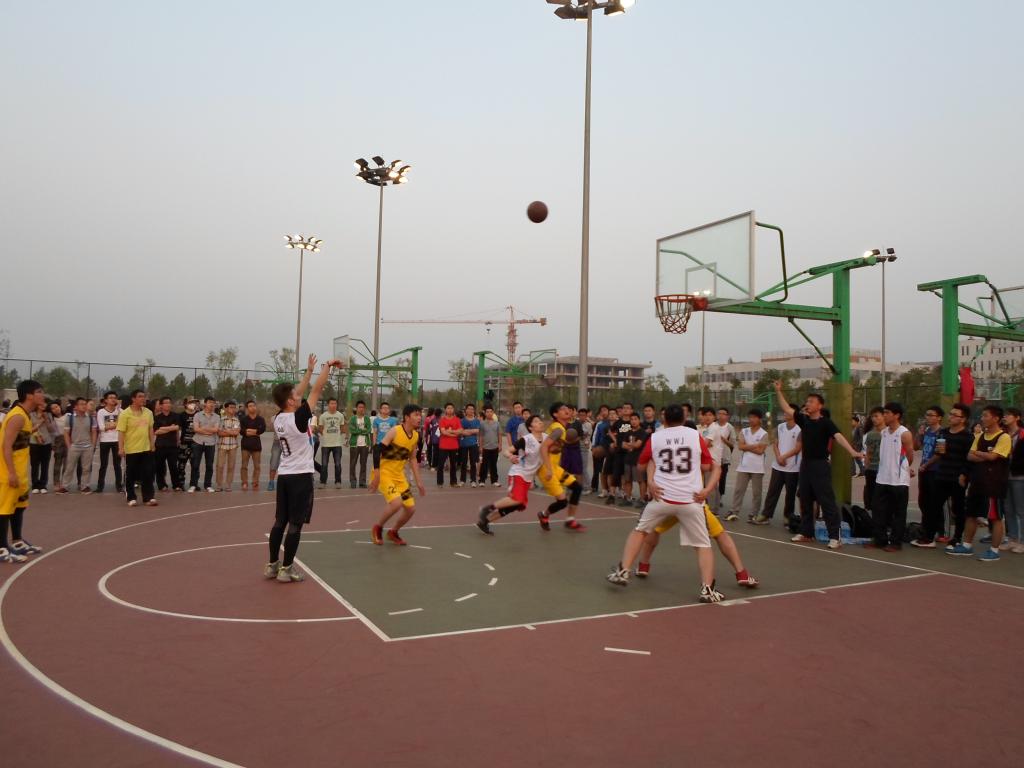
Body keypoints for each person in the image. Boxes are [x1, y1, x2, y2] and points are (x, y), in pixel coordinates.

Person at [605, 404, 724, 603]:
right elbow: (706, 466)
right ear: (684, 418)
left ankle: (623, 570)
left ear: (664, 419)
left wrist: (652, 478)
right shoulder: (695, 436)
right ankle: (707, 589)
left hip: (662, 497)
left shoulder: (656, 437)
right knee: (703, 545)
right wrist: (704, 487)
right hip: (691, 499)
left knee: (640, 531)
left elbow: (641, 465)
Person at [265, 355, 343, 582]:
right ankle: (287, 569)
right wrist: (327, 367)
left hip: (284, 476)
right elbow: (316, 390)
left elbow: (298, 393)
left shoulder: (278, 418)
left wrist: (308, 372)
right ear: (290, 401)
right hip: (300, 477)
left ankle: (272, 565)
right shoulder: (299, 418)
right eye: (295, 395)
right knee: (295, 524)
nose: (299, 395)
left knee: (280, 521)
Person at [773, 381, 864, 550]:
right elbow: (786, 408)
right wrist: (778, 391)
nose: (807, 404)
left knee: (826, 501)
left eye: (811, 401)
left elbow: (839, 437)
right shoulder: (804, 420)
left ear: (820, 406)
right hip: (805, 465)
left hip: (820, 465)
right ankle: (806, 533)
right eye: (807, 401)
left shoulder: (826, 423)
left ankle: (834, 536)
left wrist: (852, 451)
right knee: (805, 500)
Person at [948, 405, 1012, 561]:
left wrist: (982, 454)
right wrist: (985, 455)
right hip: (977, 482)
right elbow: (970, 456)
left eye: (985, 416)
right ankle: (967, 545)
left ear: (996, 418)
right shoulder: (979, 436)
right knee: (971, 515)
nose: (982, 418)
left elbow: (993, 457)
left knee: (995, 517)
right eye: (982, 416)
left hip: (994, 484)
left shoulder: (1004, 437)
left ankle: (994, 550)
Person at [367, 404, 427, 545]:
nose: (419, 417)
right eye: (416, 415)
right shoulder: (395, 431)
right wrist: (377, 475)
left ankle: (393, 532)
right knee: (396, 503)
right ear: (407, 417)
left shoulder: (415, 436)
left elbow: (413, 458)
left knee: (410, 508)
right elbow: (377, 450)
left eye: (420, 415)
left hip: (399, 477)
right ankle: (377, 528)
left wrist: (419, 482)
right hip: (384, 474)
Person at [1, 381, 47, 563]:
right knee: (4, 510)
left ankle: (17, 541)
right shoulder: (17, 416)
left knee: (19, 506)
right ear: (29, 395)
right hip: (8, 472)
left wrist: (37, 429)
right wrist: (11, 473)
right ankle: (1, 548)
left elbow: (21, 437)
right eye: (39, 391)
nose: (43, 395)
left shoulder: (25, 416)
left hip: (20, 470)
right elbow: (6, 446)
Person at [477, 414, 545, 534]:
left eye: (540, 421)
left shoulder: (546, 438)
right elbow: (507, 451)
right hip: (518, 472)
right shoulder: (526, 439)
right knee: (516, 499)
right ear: (530, 427)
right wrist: (511, 456)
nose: (540, 422)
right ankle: (487, 508)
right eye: (536, 421)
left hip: (528, 477)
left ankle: (485, 522)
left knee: (515, 505)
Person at [864, 402, 915, 551]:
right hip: (882, 478)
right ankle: (879, 539)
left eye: (887, 413)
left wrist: (904, 468)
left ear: (896, 415)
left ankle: (895, 542)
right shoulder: (884, 432)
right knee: (878, 510)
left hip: (898, 481)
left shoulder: (904, 433)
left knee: (898, 513)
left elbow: (910, 455)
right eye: (884, 412)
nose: (884, 415)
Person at [536, 402, 587, 532]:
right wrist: (548, 469)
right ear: (555, 414)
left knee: (577, 488)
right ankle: (544, 515)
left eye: (567, 409)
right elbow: (543, 448)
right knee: (562, 502)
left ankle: (570, 519)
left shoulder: (562, 428)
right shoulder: (558, 429)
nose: (567, 410)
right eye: (563, 409)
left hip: (555, 468)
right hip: (546, 469)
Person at [751, 409, 801, 527]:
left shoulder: (800, 428)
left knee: (790, 494)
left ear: (794, 414)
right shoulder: (780, 427)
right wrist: (779, 457)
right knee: (772, 491)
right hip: (778, 466)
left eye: (787, 412)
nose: (784, 413)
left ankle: (788, 516)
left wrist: (784, 457)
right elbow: (775, 444)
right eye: (784, 412)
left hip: (793, 467)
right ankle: (766, 515)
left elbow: (798, 448)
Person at [117, 389, 157, 507]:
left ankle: (148, 497)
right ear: (133, 399)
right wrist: (121, 448)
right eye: (140, 396)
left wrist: (152, 444)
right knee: (131, 474)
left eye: (144, 396)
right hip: (131, 449)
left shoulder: (148, 412)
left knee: (148, 473)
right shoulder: (125, 414)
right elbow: (121, 432)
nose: (143, 399)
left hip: (146, 448)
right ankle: (131, 497)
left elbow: (150, 429)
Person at [731, 408, 769, 522]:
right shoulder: (744, 431)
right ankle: (734, 511)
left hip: (757, 468)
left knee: (756, 493)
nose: (751, 419)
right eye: (750, 417)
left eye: (754, 417)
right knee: (739, 490)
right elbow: (740, 446)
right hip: (744, 466)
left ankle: (754, 514)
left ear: (759, 419)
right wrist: (755, 445)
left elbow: (760, 451)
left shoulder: (764, 433)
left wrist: (746, 446)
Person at [914, 405, 944, 545]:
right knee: (923, 501)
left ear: (939, 418)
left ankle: (940, 531)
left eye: (932, 415)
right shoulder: (926, 431)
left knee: (934, 502)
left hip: (935, 471)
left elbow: (940, 453)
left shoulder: (941, 433)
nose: (928, 417)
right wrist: (919, 434)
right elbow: (917, 447)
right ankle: (926, 528)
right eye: (927, 415)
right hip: (924, 470)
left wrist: (926, 465)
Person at [60, 397, 96, 494]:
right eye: (81, 404)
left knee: (86, 468)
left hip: (87, 447)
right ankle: (65, 486)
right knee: (69, 468)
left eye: (85, 404)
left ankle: (84, 486)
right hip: (74, 446)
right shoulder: (70, 418)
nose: (84, 406)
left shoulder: (91, 418)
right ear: (76, 406)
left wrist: (92, 445)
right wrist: (69, 446)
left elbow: (93, 432)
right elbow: (66, 433)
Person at [1001, 408, 1024, 554]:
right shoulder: (1003, 434)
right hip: (1004, 476)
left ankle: (1022, 542)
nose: (1005, 417)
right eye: (1004, 415)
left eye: (1008, 415)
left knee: (1021, 510)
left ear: (1017, 418)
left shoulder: (1022, 434)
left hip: (1019, 476)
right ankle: (1012, 539)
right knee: (1008, 509)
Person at [190, 397, 220, 492]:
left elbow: (216, 429)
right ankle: (193, 485)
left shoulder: (217, 416)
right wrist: (208, 431)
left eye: (213, 403)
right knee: (195, 464)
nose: (212, 404)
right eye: (210, 402)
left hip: (211, 443)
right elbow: (196, 429)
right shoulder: (197, 415)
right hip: (198, 442)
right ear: (205, 404)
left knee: (209, 465)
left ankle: (207, 485)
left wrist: (202, 429)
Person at [95, 391, 123, 493]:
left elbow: (123, 425)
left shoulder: (120, 411)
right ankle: (100, 486)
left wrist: (119, 409)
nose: (113, 399)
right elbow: (102, 428)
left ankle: (119, 486)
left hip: (117, 440)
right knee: (103, 465)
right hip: (105, 441)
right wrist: (116, 425)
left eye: (115, 398)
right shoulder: (101, 412)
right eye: (110, 397)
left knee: (117, 465)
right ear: (106, 400)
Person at [698, 407, 725, 512]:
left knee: (711, 486)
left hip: (712, 460)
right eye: (705, 415)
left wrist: (703, 444)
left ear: (714, 417)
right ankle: (714, 507)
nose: (707, 417)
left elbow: (705, 444)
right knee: (712, 485)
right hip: (707, 460)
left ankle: (713, 510)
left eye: (710, 415)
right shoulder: (706, 428)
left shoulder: (714, 428)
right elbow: (704, 444)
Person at [152, 397, 181, 492]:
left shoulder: (175, 416)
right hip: (160, 445)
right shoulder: (157, 418)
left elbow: (177, 427)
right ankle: (161, 485)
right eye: (166, 403)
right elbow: (156, 431)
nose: (168, 404)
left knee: (173, 466)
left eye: (169, 402)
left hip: (172, 445)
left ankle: (176, 485)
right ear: (161, 405)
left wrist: (163, 428)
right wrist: (170, 428)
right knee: (159, 467)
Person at [29, 400, 56, 493]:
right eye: (41, 403)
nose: (43, 405)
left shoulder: (49, 415)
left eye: (45, 403)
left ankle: (43, 485)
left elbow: (52, 430)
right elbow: (30, 430)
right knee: (34, 465)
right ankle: (35, 485)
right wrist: (40, 421)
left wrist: (46, 419)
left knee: (45, 465)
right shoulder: (31, 414)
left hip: (46, 442)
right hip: (34, 442)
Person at [238, 400, 266, 491]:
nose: (252, 407)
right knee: (244, 466)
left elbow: (262, 430)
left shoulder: (260, 419)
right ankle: (244, 482)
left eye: (254, 405)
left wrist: (250, 431)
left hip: (256, 446)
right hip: (245, 446)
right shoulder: (243, 419)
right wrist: (255, 432)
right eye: (250, 406)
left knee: (257, 466)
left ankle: (255, 482)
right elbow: (242, 431)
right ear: (247, 408)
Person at [318, 398, 345, 488]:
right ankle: (323, 481)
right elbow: (320, 428)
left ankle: (338, 481)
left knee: (337, 464)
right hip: (326, 444)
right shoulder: (323, 416)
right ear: (328, 405)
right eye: (332, 403)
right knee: (324, 464)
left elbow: (342, 428)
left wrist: (337, 435)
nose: (333, 405)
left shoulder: (340, 415)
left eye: (335, 403)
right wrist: (326, 435)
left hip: (337, 444)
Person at [862, 407, 884, 511]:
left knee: (883, 497)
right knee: (871, 496)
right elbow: (868, 453)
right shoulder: (870, 434)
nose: (874, 419)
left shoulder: (889, 432)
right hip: (872, 469)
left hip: (884, 470)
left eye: (876, 416)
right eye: (872, 417)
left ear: (884, 416)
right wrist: (867, 468)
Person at [215, 401, 241, 492]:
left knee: (231, 466)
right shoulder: (221, 420)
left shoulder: (236, 420)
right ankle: (219, 485)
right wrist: (231, 432)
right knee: (220, 466)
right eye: (231, 407)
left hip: (233, 446)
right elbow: (219, 433)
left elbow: (236, 433)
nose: (233, 409)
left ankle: (228, 485)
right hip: (222, 445)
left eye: (234, 407)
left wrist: (226, 430)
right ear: (225, 408)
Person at [436, 403, 461, 487]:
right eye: (448, 408)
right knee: (441, 464)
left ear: (454, 410)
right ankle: (440, 482)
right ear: (445, 410)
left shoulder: (457, 419)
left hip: (454, 445)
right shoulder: (442, 420)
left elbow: (460, 431)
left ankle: (453, 482)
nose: (450, 410)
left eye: (451, 408)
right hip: (443, 445)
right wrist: (454, 434)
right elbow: (443, 432)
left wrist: (450, 431)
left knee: (453, 465)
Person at [348, 400, 372, 488]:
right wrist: (362, 430)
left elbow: (368, 430)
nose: (361, 409)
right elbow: (352, 430)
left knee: (363, 464)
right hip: (354, 444)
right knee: (353, 463)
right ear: (356, 408)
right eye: (359, 407)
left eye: (362, 407)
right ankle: (353, 481)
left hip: (365, 445)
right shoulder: (352, 419)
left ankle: (362, 481)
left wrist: (359, 430)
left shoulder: (367, 419)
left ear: (364, 408)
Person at [177, 398, 198, 492]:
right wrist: (178, 440)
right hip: (184, 443)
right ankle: (180, 483)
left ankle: (194, 484)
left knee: (195, 465)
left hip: (196, 443)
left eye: (194, 402)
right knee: (182, 464)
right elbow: (178, 429)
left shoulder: (198, 414)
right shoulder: (181, 415)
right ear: (185, 404)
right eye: (190, 402)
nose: (193, 404)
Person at [478, 404, 502, 487]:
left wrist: (500, 445)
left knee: (493, 465)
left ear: (493, 413)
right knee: (484, 464)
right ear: (485, 413)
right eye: (487, 412)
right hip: (485, 447)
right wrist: (480, 447)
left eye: (490, 412)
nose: (489, 413)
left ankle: (494, 481)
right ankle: (482, 480)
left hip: (495, 447)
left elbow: (499, 435)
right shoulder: (482, 424)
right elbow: (481, 436)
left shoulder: (497, 423)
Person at [459, 403, 481, 487]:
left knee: (473, 462)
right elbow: (461, 431)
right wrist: (472, 431)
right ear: (466, 410)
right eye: (469, 409)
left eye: (472, 409)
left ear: (474, 410)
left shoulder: (477, 421)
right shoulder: (462, 421)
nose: (470, 410)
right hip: (463, 444)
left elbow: (478, 431)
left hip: (473, 444)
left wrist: (467, 431)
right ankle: (462, 480)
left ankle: (473, 480)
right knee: (463, 462)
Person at [716, 407, 736, 501]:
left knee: (722, 478)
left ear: (727, 416)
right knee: (711, 478)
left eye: (723, 414)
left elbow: (733, 444)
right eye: (719, 413)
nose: (721, 415)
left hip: (724, 458)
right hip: (713, 457)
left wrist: (724, 440)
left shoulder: (730, 427)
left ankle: (719, 497)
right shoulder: (713, 425)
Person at [371, 402, 397, 471]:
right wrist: (374, 444)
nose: (385, 409)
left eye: (387, 408)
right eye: (384, 408)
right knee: (377, 464)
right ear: (380, 410)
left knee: (388, 464)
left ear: (389, 410)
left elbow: (394, 433)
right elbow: (375, 433)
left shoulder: (393, 420)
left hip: (389, 444)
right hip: (379, 444)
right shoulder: (376, 420)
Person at [50, 402, 68, 492]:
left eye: (56, 407)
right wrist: (52, 444)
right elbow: (51, 433)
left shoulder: (68, 416)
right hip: (58, 441)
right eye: (53, 408)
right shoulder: (52, 420)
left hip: (68, 439)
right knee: (57, 464)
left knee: (67, 464)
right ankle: (56, 483)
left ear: (60, 406)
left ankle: (64, 484)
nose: (56, 409)